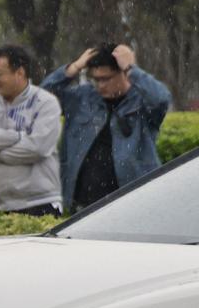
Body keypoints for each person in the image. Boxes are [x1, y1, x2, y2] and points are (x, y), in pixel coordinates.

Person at [42, 43, 171, 212]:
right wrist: (73, 68)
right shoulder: (83, 98)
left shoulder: (141, 101)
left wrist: (132, 68)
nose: (101, 85)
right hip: (82, 202)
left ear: (123, 74)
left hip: (132, 201)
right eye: (96, 79)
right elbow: (43, 99)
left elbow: (161, 99)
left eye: (106, 78)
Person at [0, 45, 63, 216]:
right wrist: (18, 137)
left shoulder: (46, 102)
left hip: (39, 202)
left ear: (20, 72)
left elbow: (37, 148)